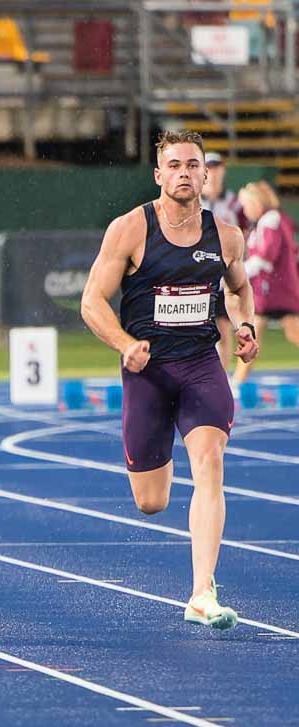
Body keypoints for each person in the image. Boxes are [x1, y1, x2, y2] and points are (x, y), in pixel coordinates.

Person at [81, 129, 259, 629]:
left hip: (201, 364)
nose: (184, 173)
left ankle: (202, 592)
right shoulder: (130, 229)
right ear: (159, 174)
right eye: (175, 165)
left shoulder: (226, 236)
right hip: (148, 371)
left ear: (206, 175)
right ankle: (162, 455)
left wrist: (245, 326)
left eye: (193, 165)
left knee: (210, 462)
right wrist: (125, 345)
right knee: (151, 501)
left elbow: (239, 290)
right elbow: (91, 302)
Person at [232, 179, 299, 384]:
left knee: (286, 332)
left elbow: (265, 257)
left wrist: (236, 274)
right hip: (270, 291)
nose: (245, 210)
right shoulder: (269, 221)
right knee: (253, 335)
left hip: (277, 291)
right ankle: (238, 381)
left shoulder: (271, 220)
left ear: (257, 203)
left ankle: (238, 382)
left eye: (247, 205)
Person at [201, 152, 248, 362]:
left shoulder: (233, 203)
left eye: (216, 167)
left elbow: (246, 231)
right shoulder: (192, 200)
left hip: (223, 273)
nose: (213, 173)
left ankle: (222, 373)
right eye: (209, 168)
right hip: (197, 271)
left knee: (222, 326)